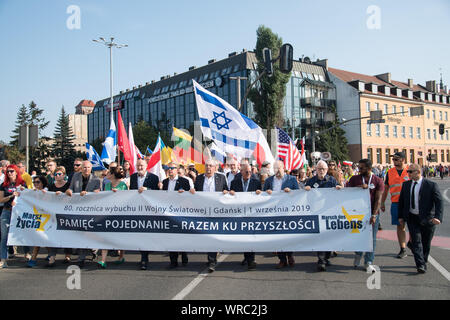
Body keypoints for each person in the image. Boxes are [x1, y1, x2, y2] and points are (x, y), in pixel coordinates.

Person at [398, 164, 443, 274]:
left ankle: (423, 260)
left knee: (426, 242)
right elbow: (402, 202)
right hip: (412, 217)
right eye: (408, 171)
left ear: (418, 172)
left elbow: (439, 202)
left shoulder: (431, 185)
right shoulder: (406, 185)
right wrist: (400, 217)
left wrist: (438, 217)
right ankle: (420, 264)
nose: (408, 173)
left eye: (410, 171)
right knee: (417, 241)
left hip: (428, 218)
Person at [304, 160, 343, 271]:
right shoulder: (311, 181)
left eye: (323, 169)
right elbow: (304, 196)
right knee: (320, 237)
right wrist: (306, 190)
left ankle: (326, 257)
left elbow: (340, 192)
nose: (321, 171)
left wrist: (339, 189)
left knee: (329, 236)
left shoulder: (332, 180)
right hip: (316, 213)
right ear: (316, 170)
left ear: (326, 170)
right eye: (319, 169)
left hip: (329, 213)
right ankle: (321, 260)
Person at [346, 159, 384, 273]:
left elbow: (378, 199)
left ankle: (368, 262)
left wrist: (374, 214)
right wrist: (356, 189)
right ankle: (358, 253)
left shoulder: (378, 181)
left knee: (371, 238)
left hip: (372, 213)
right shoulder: (354, 179)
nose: (359, 170)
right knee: (359, 236)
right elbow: (346, 193)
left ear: (369, 168)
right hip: (357, 214)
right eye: (358, 167)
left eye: (361, 168)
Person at [193, 159, 228, 273]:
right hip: (203, 211)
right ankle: (211, 257)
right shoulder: (199, 178)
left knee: (212, 233)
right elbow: (195, 191)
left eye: (210, 166)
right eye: (207, 165)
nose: (208, 168)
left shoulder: (221, 178)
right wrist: (192, 191)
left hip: (216, 211)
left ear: (215, 168)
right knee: (206, 234)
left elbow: (226, 190)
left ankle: (212, 260)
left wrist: (226, 192)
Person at [263, 160, 299, 268]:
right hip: (274, 212)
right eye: (275, 168)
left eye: (279, 168)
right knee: (277, 236)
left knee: (288, 235)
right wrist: (266, 192)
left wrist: (291, 192)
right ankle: (282, 259)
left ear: (284, 168)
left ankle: (290, 255)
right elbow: (263, 194)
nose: (277, 170)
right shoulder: (269, 180)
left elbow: (298, 193)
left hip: (288, 212)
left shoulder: (291, 179)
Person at [65, 161, 101, 268]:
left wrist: (89, 193)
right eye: (84, 167)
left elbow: (98, 192)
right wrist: (69, 191)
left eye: (88, 167)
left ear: (91, 168)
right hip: (77, 209)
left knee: (90, 233)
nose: (86, 169)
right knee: (81, 233)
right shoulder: (75, 177)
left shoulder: (96, 179)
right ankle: (81, 258)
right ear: (81, 168)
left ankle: (94, 249)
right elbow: (71, 187)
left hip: (90, 209)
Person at [229, 163, 262, 271]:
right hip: (240, 214)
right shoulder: (234, 183)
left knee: (250, 236)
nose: (248, 173)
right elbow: (231, 197)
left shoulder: (256, 183)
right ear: (241, 172)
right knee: (243, 236)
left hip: (252, 214)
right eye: (246, 171)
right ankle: (247, 257)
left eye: (250, 171)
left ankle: (251, 260)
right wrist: (231, 193)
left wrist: (259, 193)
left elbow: (261, 197)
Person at [162, 162, 194, 268]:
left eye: (172, 168)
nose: (170, 170)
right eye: (169, 168)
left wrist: (185, 193)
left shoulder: (184, 181)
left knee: (182, 236)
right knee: (171, 237)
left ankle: (184, 257)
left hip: (181, 212)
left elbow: (190, 196)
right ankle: (173, 261)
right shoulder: (165, 182)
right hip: (169, 212)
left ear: (177, 170)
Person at [129, 159, 160, 270]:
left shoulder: (153, 178)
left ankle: (145, 257)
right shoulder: (132, 177)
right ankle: (144, 257)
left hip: (149, 210)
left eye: (142, 165)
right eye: (138, 165)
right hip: (136, 210)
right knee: (140, 233)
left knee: (147, 233)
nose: (140, 167)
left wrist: (148, 189)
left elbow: (158, 193)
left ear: (146, 166)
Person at [97, 166, 128, 269]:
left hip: (120, 214)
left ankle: (121, 255)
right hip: (108, 214)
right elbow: (104, 198)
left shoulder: (123, 185)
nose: (107, 174)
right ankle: (103, 260)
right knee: (105, 236)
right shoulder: (107, 185)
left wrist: (118, 194)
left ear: (113, 175)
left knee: (120, 237)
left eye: (109, 173)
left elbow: (127, 198)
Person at [380, 152, 410, 259]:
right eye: (393, 159)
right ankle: (403, 249)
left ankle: (411, 241)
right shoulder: (390, 172)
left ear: (402, 160)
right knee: (400, 226)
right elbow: (386, 188)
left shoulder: (409, 170)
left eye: (396, 159)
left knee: (413, 225)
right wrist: (382, 202)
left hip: (410, 203)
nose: (394, 161)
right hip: (396, 203)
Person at [0, 165, 26, 268]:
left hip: (19, 212)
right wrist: (11, 196)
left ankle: (27, 253)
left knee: (23, 233)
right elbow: (1, 200)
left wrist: (22, 192)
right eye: (8, 172)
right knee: (4, 237)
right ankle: (3, 259)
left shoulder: (22, 184)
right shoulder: (3, 185)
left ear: (16, 172)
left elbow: (27, 197)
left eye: (11, 171)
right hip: (6, 211)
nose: (9, 173)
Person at [47, 166, 72, 265]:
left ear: (64, 175)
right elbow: (47, 197)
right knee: (54, 234)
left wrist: (62, 193)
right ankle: (52, 256)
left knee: (67, 234)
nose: (58, 176)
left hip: (66, 212)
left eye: (60, 174)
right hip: (54, 213)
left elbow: (71, 195)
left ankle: (67, 255)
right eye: (56, 174)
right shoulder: (51, 186)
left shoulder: (68, 185)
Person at [26, 176, 50, 267]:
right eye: (34, 182)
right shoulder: (32, 192)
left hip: (46, 218)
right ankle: (50, 254)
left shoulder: (47, 192)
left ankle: (33, 258)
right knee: (41, 237)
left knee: (41, 237)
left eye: (38, 182)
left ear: (42, 183)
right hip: (36, 217)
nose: (36, 184)